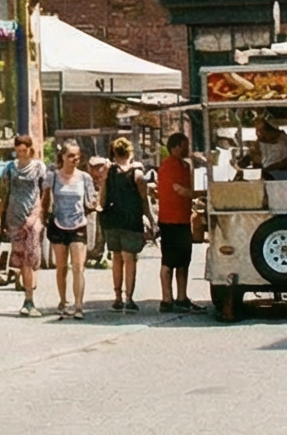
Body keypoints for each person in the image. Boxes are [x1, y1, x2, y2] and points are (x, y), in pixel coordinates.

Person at [0, 135, 54, 317]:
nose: (21, 154)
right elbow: (4, 193)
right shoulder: (10, 168)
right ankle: (27, 290)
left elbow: (44, 193)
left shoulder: (39, 167)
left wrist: (39, 214)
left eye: (24, 150)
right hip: (14, 216)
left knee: (30, 257)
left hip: (32, 216)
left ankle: (29, 298)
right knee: (20, 257)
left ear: (30, 149)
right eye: (18, 151)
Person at [99, 137, 150, 311]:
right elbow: (144, 200)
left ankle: (117, 297)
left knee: (116, 257)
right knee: (130, 259)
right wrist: (150, 220)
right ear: (130, 153)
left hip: (111, 219)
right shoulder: (137, 174)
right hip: (131, 219)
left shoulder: (108, 172)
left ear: (114, 153)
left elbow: (103, 194)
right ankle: (129, 298)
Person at [44, 142, 93, 319]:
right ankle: (63, 301)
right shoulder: (53, 177)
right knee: (61, 266)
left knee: (78, 266)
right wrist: (41, 217)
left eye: (77, 155)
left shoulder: (85, 178)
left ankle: (78, 305)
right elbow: (45, 199)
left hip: (78, 224)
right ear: (63, 156)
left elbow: (90, 201)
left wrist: (96, 203)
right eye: (71, 155)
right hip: (59, 224)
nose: (75, 159)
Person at [155, 131, 198, 314]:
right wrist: (200, 194)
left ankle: (182, 297)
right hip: (170, 219)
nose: (187, 149)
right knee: (168, 261)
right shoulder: (168, 166)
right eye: (184, 146)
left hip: (183, 218)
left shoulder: (184, 166)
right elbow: (179, 189)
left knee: (183, 260)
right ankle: (166, 299)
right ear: (175, 147)